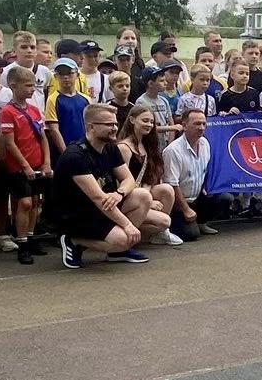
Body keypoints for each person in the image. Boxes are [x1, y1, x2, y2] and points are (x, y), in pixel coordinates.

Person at [56, 103, 165, 268]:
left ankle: (117, 252)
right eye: (108, 124)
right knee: (123, 239)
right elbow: (98, 198)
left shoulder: (110, 148)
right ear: (91, 127)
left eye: (115, 123)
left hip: (103, 207)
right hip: (77, 214)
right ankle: (73, 240)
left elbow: (128, 180)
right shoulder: (75, 156)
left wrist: (119, 193)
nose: (114, 128)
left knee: (143, 196)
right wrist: (127, 226)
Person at [0, 65, 51, 265]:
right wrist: (25, 165)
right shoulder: (8, 112)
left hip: (38, 162)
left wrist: (46, 161)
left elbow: (43, 137)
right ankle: (22, 243)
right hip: (19, 166)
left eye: (33, 85)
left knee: (35, 202)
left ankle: (30, 236)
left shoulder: (34, 110)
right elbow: (9, 143)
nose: (31, 89)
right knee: (25, 203)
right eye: (27, 85)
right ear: (13, 85)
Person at [117, 104, 184, 246]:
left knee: (166, 189)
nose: (149, 125)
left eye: (152, 122)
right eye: (145, 120)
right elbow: (120, 182)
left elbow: (150, 176)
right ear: (132, 120)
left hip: (141, 192)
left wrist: (147, 195)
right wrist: (147, 201)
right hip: (124, 198)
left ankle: (157, 235)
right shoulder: (124, 148)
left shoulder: (146, 145)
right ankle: (124, 239)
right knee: (164, 221)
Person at [162, 109, 226, 237]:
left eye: (204, 124)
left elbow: (205, 171)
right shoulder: (173, 151)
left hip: (197, 197)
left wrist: (206, 188)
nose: (201, 128)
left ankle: (201, 222)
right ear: (184, 126)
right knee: (191, 234)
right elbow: (172, 184)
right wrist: (186, 209)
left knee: (225, 198)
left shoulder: (205, 144)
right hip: (178, 202)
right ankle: (183, 222)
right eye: (197, 124)